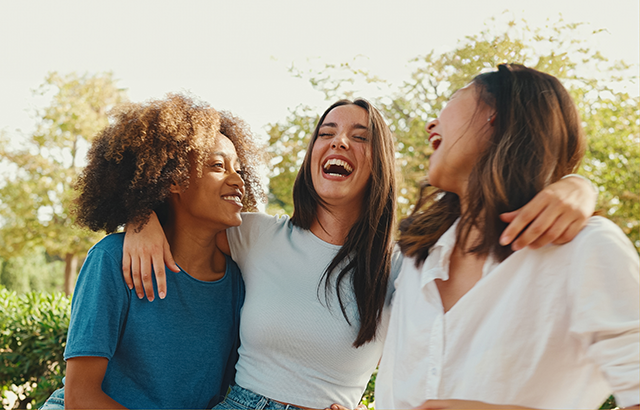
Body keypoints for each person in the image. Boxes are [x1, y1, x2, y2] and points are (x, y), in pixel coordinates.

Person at [124, 93, 598, 409]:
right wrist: (140, 218)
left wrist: (578, 186)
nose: (339, 142)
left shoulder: (403, 265)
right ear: (312, 154)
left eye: (360, 136)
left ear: (379, 164)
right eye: (326, 133)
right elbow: (181, 204)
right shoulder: (255, 235)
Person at [375, 64, 639, 409]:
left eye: (454, 99)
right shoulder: (414, 259)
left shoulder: (586, 247)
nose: (430, 125)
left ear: (496, 117)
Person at [40, 93, 264, 409]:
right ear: (173, 179)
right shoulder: (111, 260)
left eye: (239, 169)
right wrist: (140, 215)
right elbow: (80, 398)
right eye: (218, 166)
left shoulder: (237, 282)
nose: (237, 180)